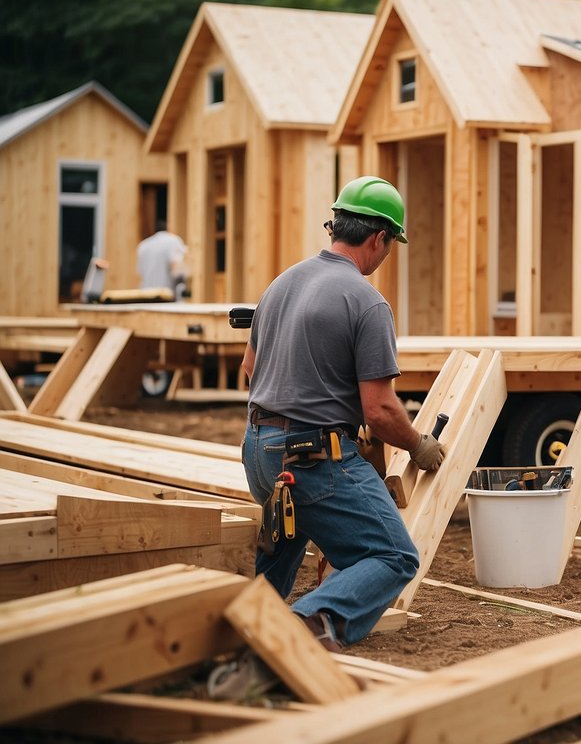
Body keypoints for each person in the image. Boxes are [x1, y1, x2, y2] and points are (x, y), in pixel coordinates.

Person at [235, 175, 446, 662]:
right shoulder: (367, 302)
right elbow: (380, 410)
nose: (386, 255)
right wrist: (419, 446)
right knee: (393, 556)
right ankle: (307, 625)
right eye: (390, 246)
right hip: (314, 459)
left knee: (288, 533)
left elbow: (250, 368)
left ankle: (249, 625)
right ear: (379, 238)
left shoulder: (281, 283)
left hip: (259, 450)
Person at [136, 220, 188, 298]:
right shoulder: (173, 241)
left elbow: (140, 272)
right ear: (168, 228)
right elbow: (177, 269)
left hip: (146, 294)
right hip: (165, 294)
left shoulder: (143, 245)